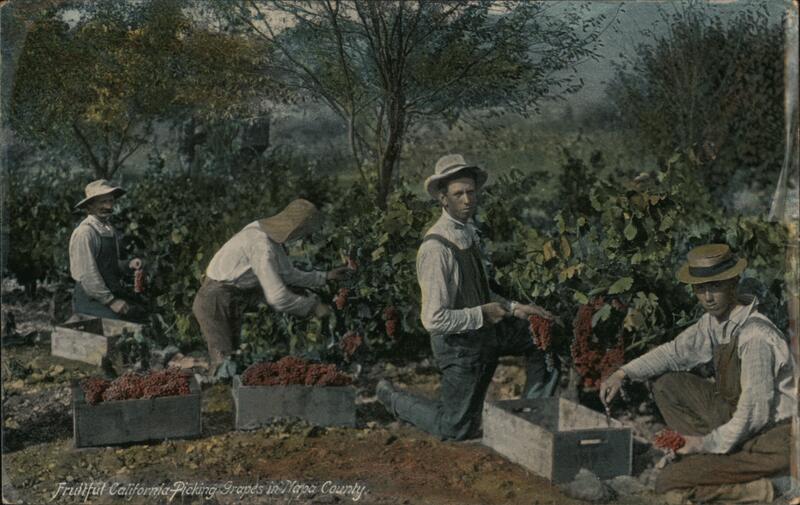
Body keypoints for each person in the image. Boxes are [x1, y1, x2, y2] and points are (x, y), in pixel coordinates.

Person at [376, 154, 559, 441]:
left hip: (486, 334)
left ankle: (530, 413)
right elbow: (433, 320)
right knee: (456, 428)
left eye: (471, 192)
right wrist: (483, 314)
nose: (466, 200)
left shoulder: (468, 233)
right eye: (458, 194)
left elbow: (481, 292)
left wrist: (515, 307)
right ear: (443, 199)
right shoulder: (436, 248)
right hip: (460, 347)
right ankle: (391, 397)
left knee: (545, 335)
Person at [600, 243, 796, 503]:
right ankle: (712, 461)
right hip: (740, 425)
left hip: (774, 441)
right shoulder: (714, 323)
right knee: (668, 385)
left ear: (733, 283)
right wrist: (622, 373)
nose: (708, 297)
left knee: (670, 482)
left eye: (714, 286)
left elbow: (754, 413)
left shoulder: (755, 336)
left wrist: (703, 444)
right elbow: (673, 353)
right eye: (700, 289)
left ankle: (771, 487)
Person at [192, 199, 350, 372]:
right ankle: (220, 393)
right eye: (302, 232)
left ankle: (232, 393)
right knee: (224, 363)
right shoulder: (262, 247)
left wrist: (326, 276)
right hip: (214, 299)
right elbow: (278, 297)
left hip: (230, 295)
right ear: (294, 230)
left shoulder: (262, 231)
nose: (302, 237)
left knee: (233, 358)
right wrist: (313, 306)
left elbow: (289, 274)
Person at [69, 179, 145, 321]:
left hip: (109, 293)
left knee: (142, 313)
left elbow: (109, 266)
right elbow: (88, 276)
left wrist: (128, 265)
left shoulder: (108, 229)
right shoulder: (85, 232)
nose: (108, 206)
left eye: (111, 201)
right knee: (125, 325)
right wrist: (111, 301)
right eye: (102, 202)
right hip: (91, 299)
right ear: (90, 206)